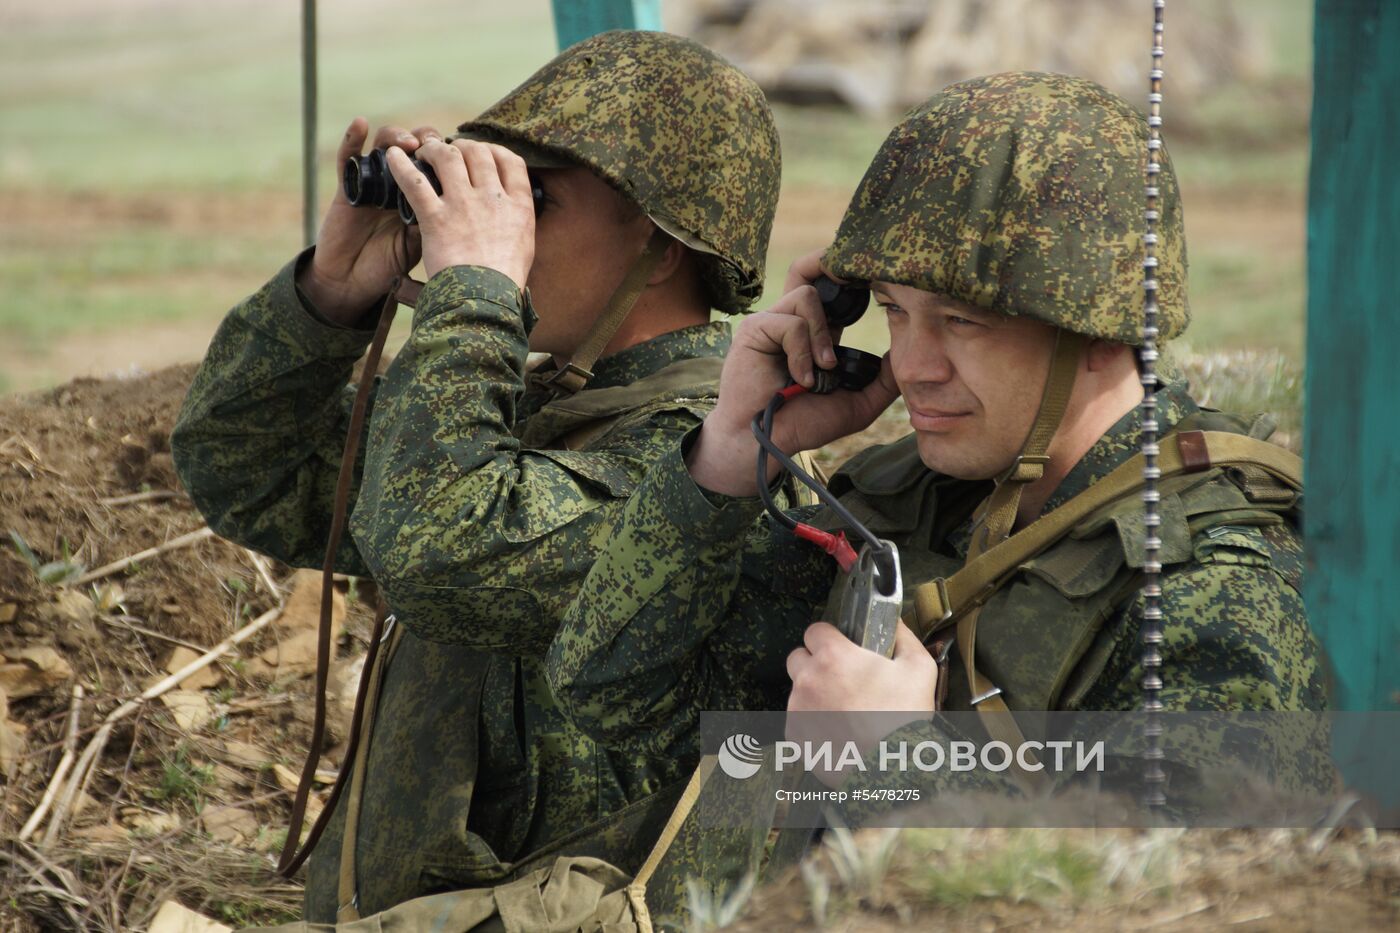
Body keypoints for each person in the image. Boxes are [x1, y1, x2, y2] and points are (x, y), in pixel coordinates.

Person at [546, 72, 1327, 826]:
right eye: (894, 313)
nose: (912, 365)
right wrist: (724, 457)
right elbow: (610, 698)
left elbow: (1184, 896)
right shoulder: (908, 498)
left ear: (1099, 332)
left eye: (960, 322)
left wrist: (892, 760)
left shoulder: (1212, 590)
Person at [171, 30, 781, 920]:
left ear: (658, 245)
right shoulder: (543, 412)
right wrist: (335, 291)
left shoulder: (706, 466)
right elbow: (243, 466)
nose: (506, 226)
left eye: (536, 200)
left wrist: (475, 290)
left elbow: (440, 551)